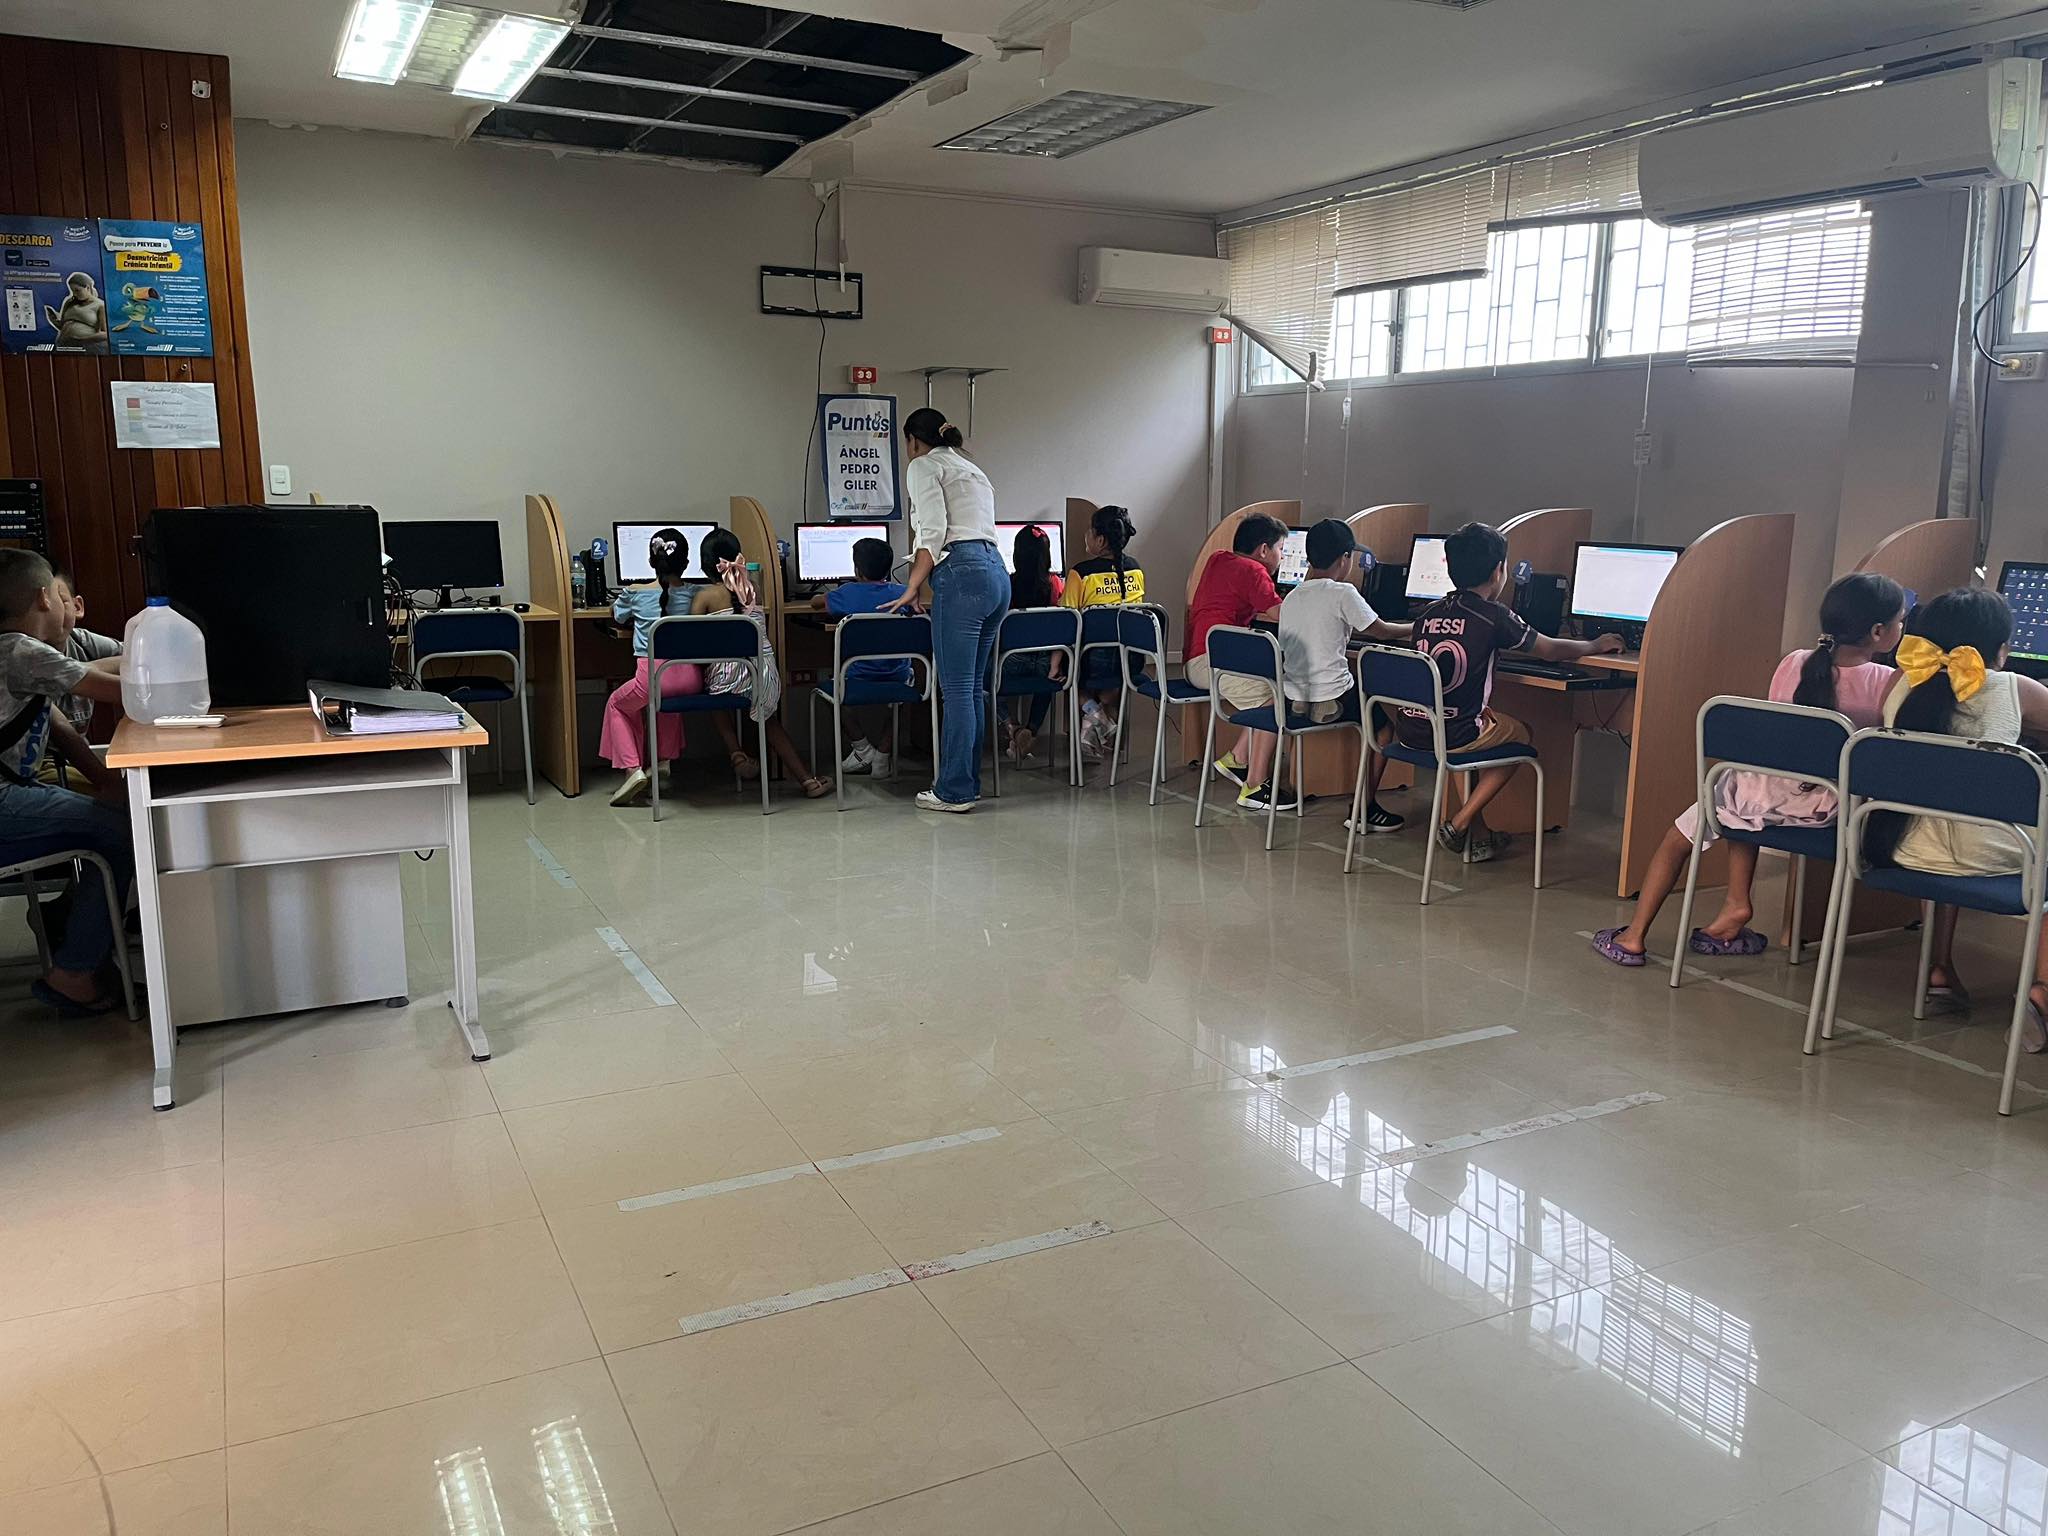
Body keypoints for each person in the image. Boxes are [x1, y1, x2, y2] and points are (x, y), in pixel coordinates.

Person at [1591, 572, 1906, 966]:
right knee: (1745, 793)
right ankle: (1735, 905)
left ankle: (1634, 936)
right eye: (1900, 621)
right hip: (1828, 808)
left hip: (1761, 793)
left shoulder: (1794, 662)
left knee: (1697, 823)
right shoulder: (1888, 682)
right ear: (1878, 632)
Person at [1863, 588, 2048, 1049]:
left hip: (1907, 846)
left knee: (1949, 818)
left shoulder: (1901, 683)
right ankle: (2043, 992)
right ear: (2000, 650)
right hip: (1986, 854)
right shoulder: (2015, 688)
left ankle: (1939, 967)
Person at [1398, 521, 1621, 864]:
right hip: (1456, 733)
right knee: (1522, 736)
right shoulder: (1494, 616)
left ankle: (1481, 836)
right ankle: (1459, 823)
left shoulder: (1427, 614)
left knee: (1479, 731)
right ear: (1499, 571)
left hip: (1413, 729)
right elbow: (1549, 650)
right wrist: (1594, 644)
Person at [0, 550, 130, 1012]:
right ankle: (75, 972)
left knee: (112, 821)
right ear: (43, 598)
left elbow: (88, 676)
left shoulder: (15, 654)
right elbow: (117, 689)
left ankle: (73, 930)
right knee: (124, 830)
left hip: (12, 793)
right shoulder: (20, 650)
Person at [883, 407, 1008, 812]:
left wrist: (912, 585)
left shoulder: (923, 465)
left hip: (962, 575)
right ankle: (967, 783)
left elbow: (933, 533)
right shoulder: (972, 469)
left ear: (913, 441)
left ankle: (953, 791)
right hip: (996, 573)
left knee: (956, 690)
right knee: (971, 688)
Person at [1279, 518, 1414, 832]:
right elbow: (1381, 631)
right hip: (1333, 697)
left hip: (1293, 698)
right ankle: (1364, 807)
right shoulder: (1343, 592)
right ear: (1344, 559)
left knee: (1362, 697)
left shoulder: (1292, 597)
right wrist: (1416, 627)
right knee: (1384, 727)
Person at [693, 528, 831, 798]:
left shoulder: (705, 597)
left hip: (728, 677)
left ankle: (736, 752)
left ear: (705, 564)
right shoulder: (753, 589)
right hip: (764, 673)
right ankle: (807, 780)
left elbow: (693, 640)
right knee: (769, 721)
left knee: (713, 694)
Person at [1186, 513, 1287, 805]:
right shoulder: (1253, 571)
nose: (1282, 557)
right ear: (1264, 550)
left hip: (1199, 660)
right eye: (1281, 549)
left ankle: (1237, 759)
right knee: (1276, 697)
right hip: (1213, 664)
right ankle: (1255, 787)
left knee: (1270, 684)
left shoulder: (1218, 559)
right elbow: (1279, 613)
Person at [601, 527, 703, 807]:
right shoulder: (696, 593)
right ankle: (662, 761)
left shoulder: (634, 592)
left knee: (618, 704)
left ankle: (632, 770)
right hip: (690, 678)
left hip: (654, 678)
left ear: (651, 561)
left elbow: (617, 616)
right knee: (665, 700)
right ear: (686, 563)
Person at [811, 536, 908, 776]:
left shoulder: (846, 593)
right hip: (898, 676)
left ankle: (862, 749)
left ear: (857, 570)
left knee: (830, 689)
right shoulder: (904, 593)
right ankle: (883, 755)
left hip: (857, 677)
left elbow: (815, 603)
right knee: (907, 695)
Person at [1064, 505, 1144, 759]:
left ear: (1099, 539)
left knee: (1063, 672)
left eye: (1089, 531)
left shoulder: (1081, 573)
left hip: (1094, 662)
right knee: (1109, 677)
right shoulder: (1135, 569)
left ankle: (1095, 714)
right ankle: (1099, 725)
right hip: (1131, 660)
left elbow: (1066, 619)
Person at [996, 523, 1064, 763]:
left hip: (1011, 661)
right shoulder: (1056, 584)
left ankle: (1012, 727)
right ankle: (1032, 730)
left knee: (981, 678)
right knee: (1049, 680)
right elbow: (1062, 625)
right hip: (1045, 660)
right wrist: (1054, 665)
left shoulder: (1007, 584)